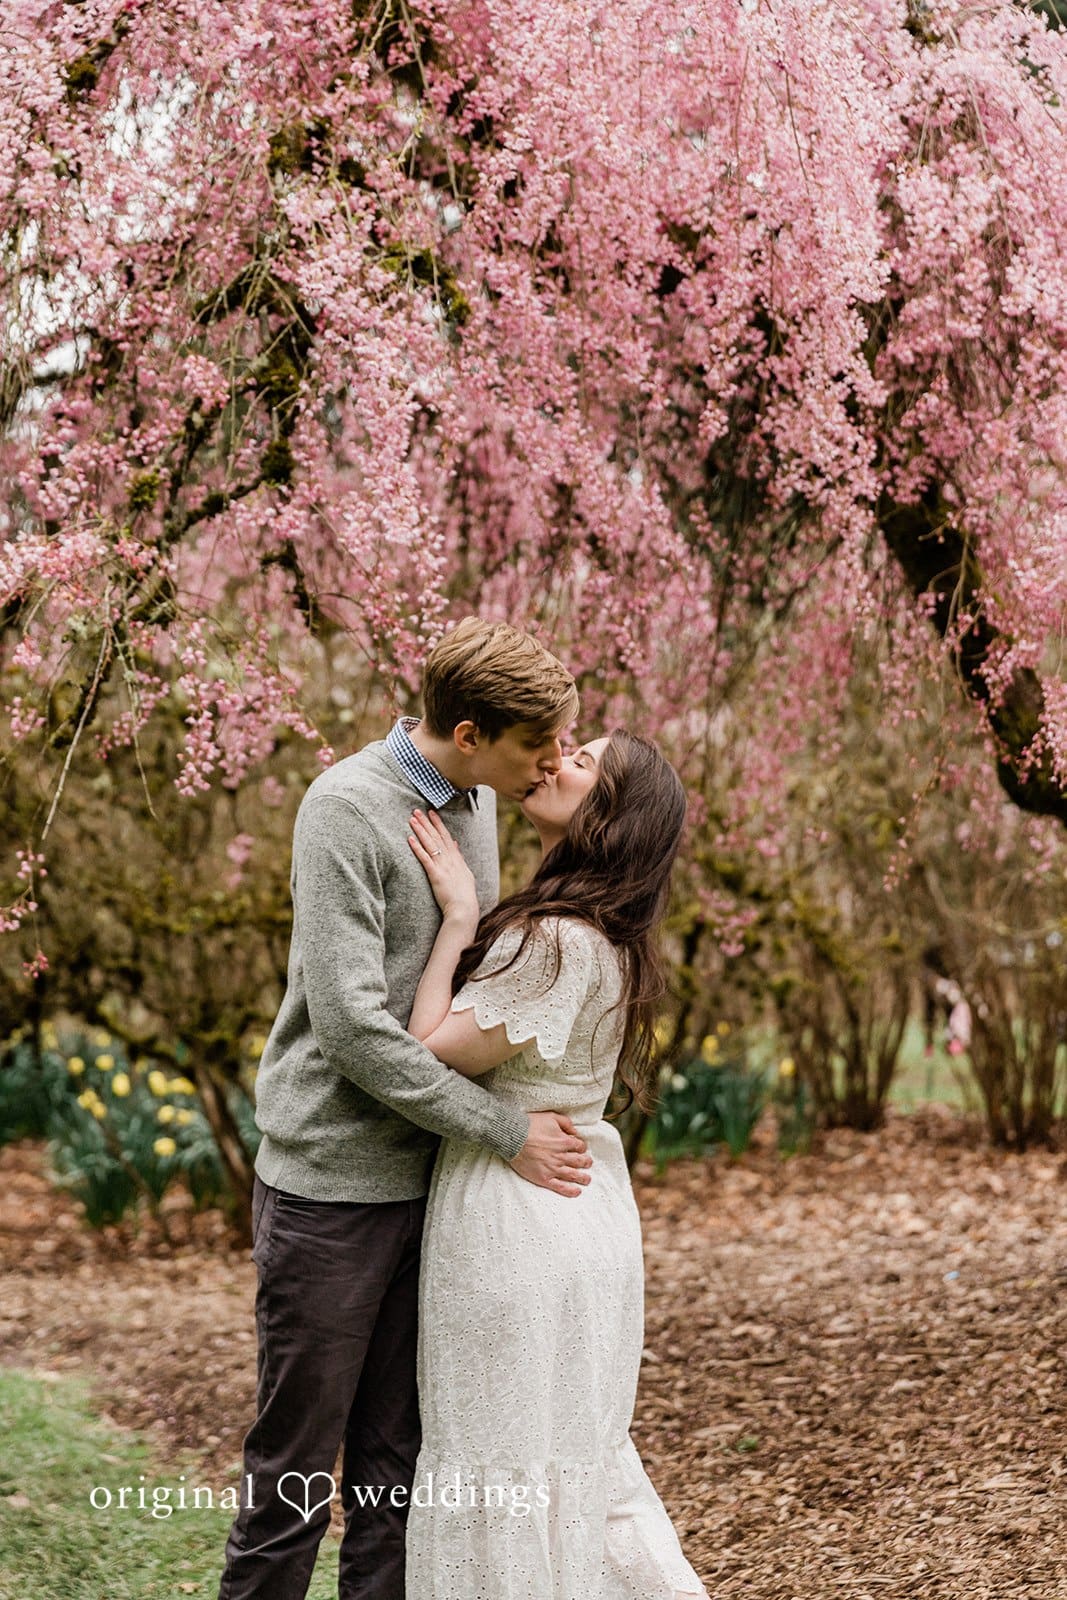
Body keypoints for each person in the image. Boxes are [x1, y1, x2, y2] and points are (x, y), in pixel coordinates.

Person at [218, 618, 597, 1600]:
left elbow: (462, 986)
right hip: (331, 1190)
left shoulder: (478, 798)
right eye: (535, 749)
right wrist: (504, 1132)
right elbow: (350, 1028)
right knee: (294, 1473)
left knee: (398, 1472)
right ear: (468, 731)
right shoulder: (344, 807)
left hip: (430, 1192)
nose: (548, 767)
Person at [403, 729, 709, 1599]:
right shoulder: (607, 939)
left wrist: (458, 918)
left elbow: (426, 1050)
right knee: (571, 1468)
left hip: (518, 1226)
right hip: (580, 1220)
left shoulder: (556, 940)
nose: (556, 759)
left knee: (500, 1466)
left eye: (582, 762)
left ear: (607, 815)